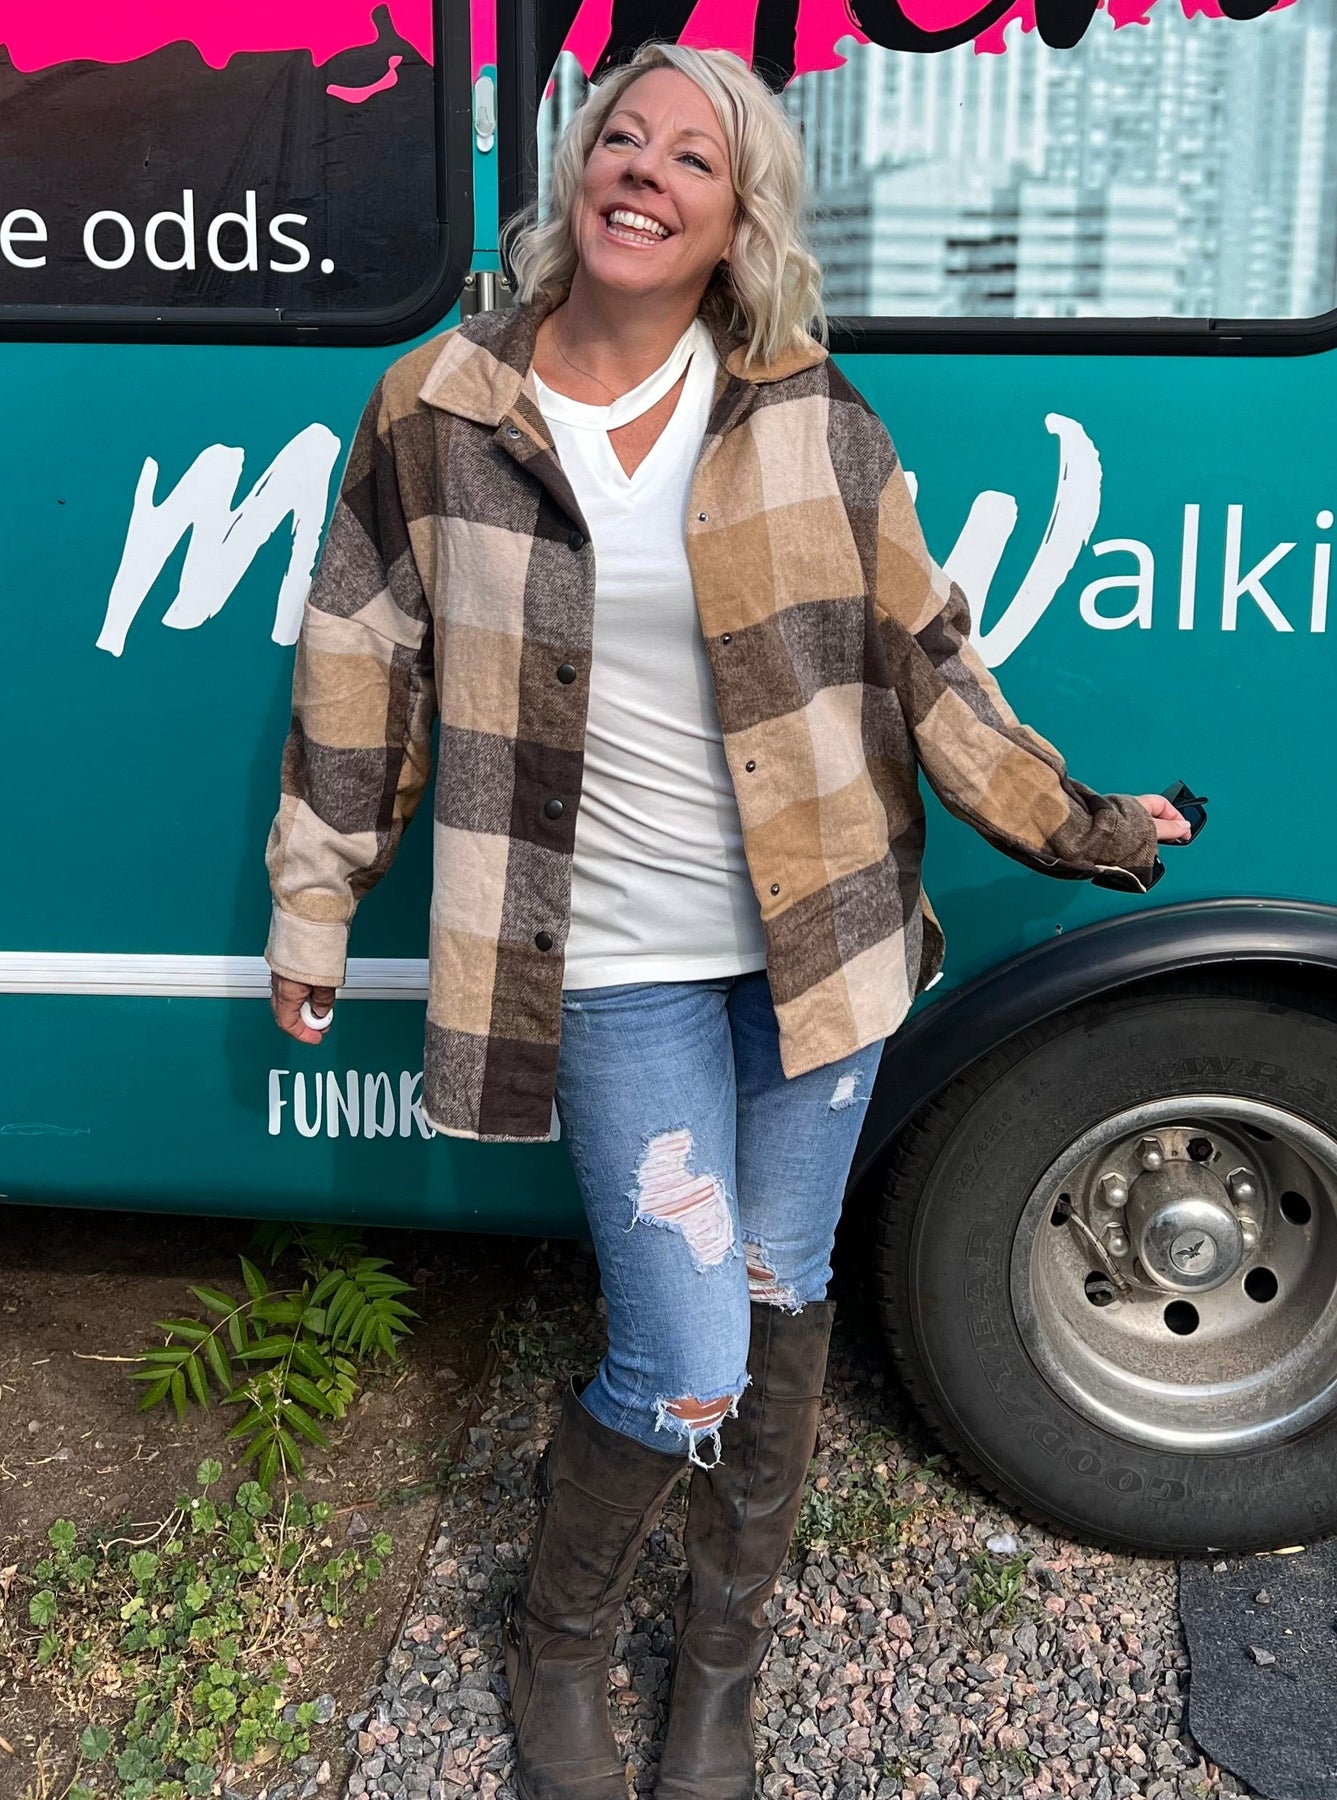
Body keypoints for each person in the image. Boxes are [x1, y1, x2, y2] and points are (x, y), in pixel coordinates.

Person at [263, 39, 1191, 1800]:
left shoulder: (808, 416)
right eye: (624, 137)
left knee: (780, 1293)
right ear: (577, 173)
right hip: (605, 966)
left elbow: (926, 663)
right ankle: (555, 1642)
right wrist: (316, 904)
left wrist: (1078, 825)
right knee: (685, 1360)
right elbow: (356, 662)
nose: (647, 170)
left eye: (694, 157)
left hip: (817, 952)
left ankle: (718, 1666)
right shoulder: (439, 405)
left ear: (734, 218)